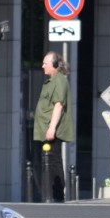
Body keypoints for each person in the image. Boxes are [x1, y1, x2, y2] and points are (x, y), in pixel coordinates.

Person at [33, 51, 74, 202]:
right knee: (49, 160)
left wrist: (51, 128)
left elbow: (58, 106)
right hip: (45, 129)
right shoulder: (51, 81)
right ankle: (50, 193)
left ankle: (56, 195)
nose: (43, 66)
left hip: (51, 130)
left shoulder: (59, 80)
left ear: (55, 65)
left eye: (45, 63)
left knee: (54, 160)